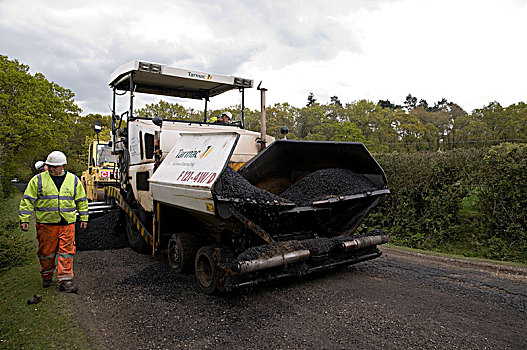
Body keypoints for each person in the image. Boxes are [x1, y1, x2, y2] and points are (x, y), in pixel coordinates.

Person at [19, 151, 88, 293]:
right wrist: (24, 219)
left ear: (63, 166)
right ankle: (46, 276)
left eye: (54, 166)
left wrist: (84, 217)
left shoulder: (73, 180)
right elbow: (27, 200)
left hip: (67, 224)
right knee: (46, 254)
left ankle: (65, 280)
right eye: (49, 166)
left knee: (67, 252)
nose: (51, 169)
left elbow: (81, 201)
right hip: (46, 225)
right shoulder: (38, 180)